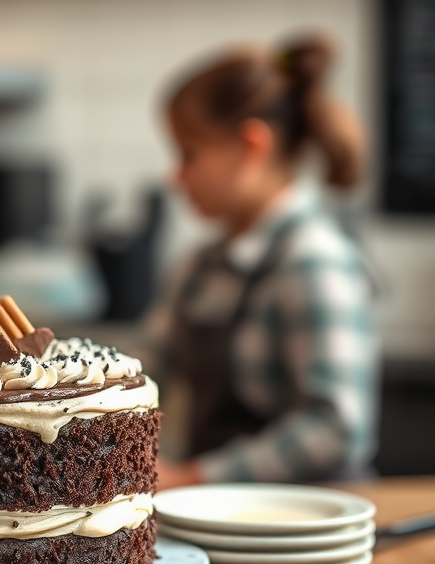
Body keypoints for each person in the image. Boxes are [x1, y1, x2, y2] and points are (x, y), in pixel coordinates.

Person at [150, 35, 377, 490]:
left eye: (189, 154)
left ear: (251, 145)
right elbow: (149, 362)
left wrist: (191, 477)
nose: (175, 176)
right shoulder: (199, 265)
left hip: (306, 523)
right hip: (221, 516)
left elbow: (334, 428)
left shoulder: (316, 262)